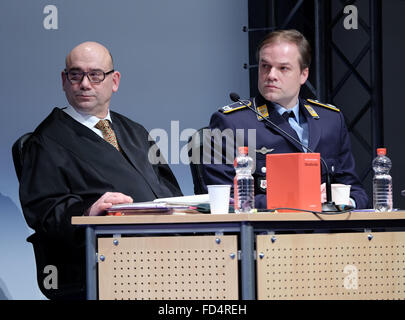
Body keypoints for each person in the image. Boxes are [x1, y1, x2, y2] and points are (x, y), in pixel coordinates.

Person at [18, 41, 182, 299]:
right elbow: (44, 211)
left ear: (114, 81)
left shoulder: (134, 131)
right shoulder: (47, 140)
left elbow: (170, 189)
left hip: (163, 251)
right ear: (64, 80)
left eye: (95, 75)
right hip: (99, 259)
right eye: (76, 74)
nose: (85, 84)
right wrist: (88, 212)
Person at [200, 29, 369, 209]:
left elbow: (356, 192)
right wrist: (298, 200)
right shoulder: (232, 122)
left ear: (303, 74)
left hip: (326, 232)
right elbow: (224, 199)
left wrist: (344, 201)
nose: (271, 75)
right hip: (268, 232)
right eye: (265, 66)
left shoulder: (331, 121)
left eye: (283, 68)